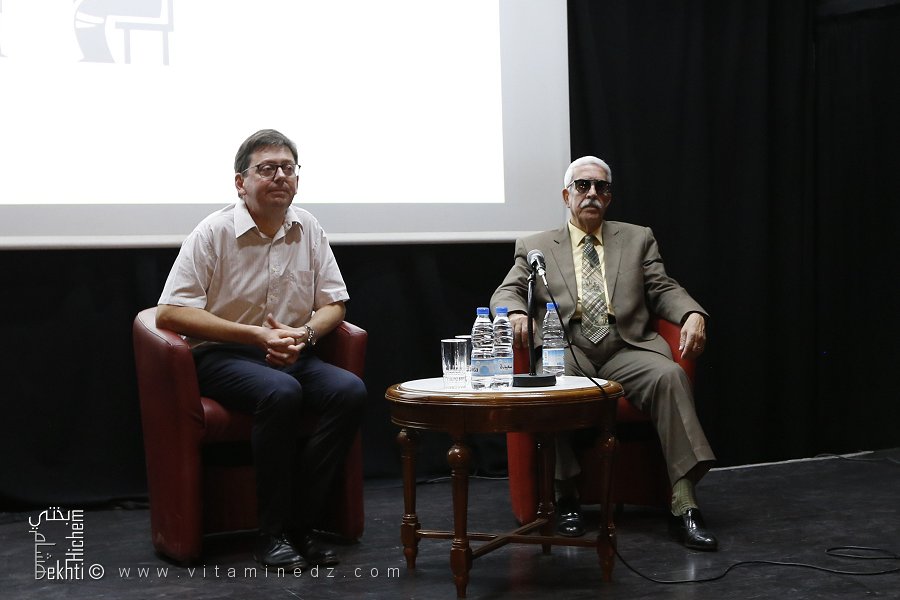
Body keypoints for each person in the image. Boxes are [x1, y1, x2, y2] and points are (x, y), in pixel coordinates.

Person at [156, 129, 367, 569]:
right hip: (221, 354)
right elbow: (171, 312)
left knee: (349, 391)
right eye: (267, 169)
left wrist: (303, 335)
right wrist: (255, 335)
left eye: (288, 168)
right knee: (280, 392)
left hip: (291, 350)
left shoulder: (307, 227)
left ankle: (302, 525)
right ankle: (271, 533)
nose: (280, 177)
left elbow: (334, 304)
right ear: (241, 182)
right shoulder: (213, 232)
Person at [490, 156, 718, 551]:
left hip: (626, 345)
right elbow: (507, 291)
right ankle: (566, 496)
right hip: (569, 347)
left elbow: (662, 288)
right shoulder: (536, 246)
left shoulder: (637, 238)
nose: (592, 193)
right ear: (567, 195)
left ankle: (684, 503)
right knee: (551, 382)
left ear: (609, 197)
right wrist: (513, 313)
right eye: (582, 186)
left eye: (601, 187)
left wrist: (692, 313)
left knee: (670, 376)